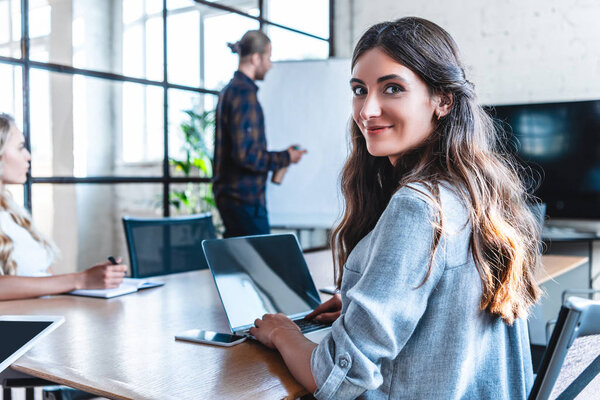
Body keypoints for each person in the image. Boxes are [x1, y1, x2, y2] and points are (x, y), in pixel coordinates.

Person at [250, 17, 541, 399]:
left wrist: (283, 332)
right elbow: (450, 312)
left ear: (443, 100)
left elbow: (337, 378)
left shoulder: (418, 207)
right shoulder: (475, 192)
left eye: (392, 88)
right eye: (359, 89)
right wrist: (362, 305)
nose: (368, 109)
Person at [0, 113, 127, 300]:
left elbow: (42, 276)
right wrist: (81, 280)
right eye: (20, 148)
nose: (28, 156)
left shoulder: (12, 211)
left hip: (47, 313)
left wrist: (89, 280)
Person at [213, 30, 307, 238]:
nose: (271, 64)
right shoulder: (243, 94)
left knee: (238, 266)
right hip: (243, 201)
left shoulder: (230, 91)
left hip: (234, 200)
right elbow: (246, 155)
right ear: (255, 58)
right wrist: (286, 157)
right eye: (268, 57)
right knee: (260, 265)